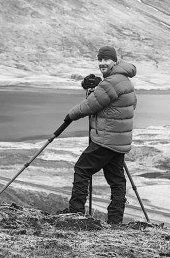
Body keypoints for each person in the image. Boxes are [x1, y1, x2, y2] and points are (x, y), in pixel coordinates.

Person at [64, 46, 137, 224]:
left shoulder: (111, 82)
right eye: (100, 60)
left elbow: (90, 105)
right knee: (116, 180)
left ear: (115, 61)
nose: (102, 63)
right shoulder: (123, 79)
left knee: (82, 169)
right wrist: (97, 89)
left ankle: (75, 213)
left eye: (106, 60)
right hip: (119, 140)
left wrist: (69, 116)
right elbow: (127, 104)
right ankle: (115, 220)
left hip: (106, 139)